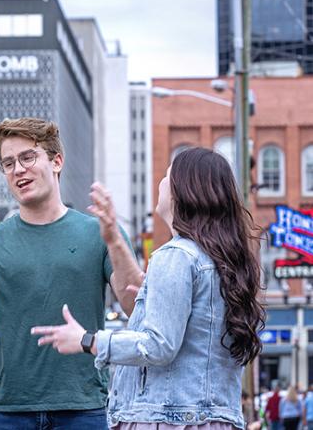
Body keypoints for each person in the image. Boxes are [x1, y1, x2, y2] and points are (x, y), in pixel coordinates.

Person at [32, 146, 265, 430]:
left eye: (167, 176)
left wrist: (88, 340)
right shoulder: (227, 262)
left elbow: (158, 346)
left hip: (168, 420)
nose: (161, 183)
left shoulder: (177, 256)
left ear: (184, 190)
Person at [0, 117, 143, 429]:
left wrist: (115, 241)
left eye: (27, 157)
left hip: (83, 409)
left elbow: (137, 309)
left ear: (57, 161)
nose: (17, 169)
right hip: (8, 411)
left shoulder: (99, 233)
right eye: (8, 163)